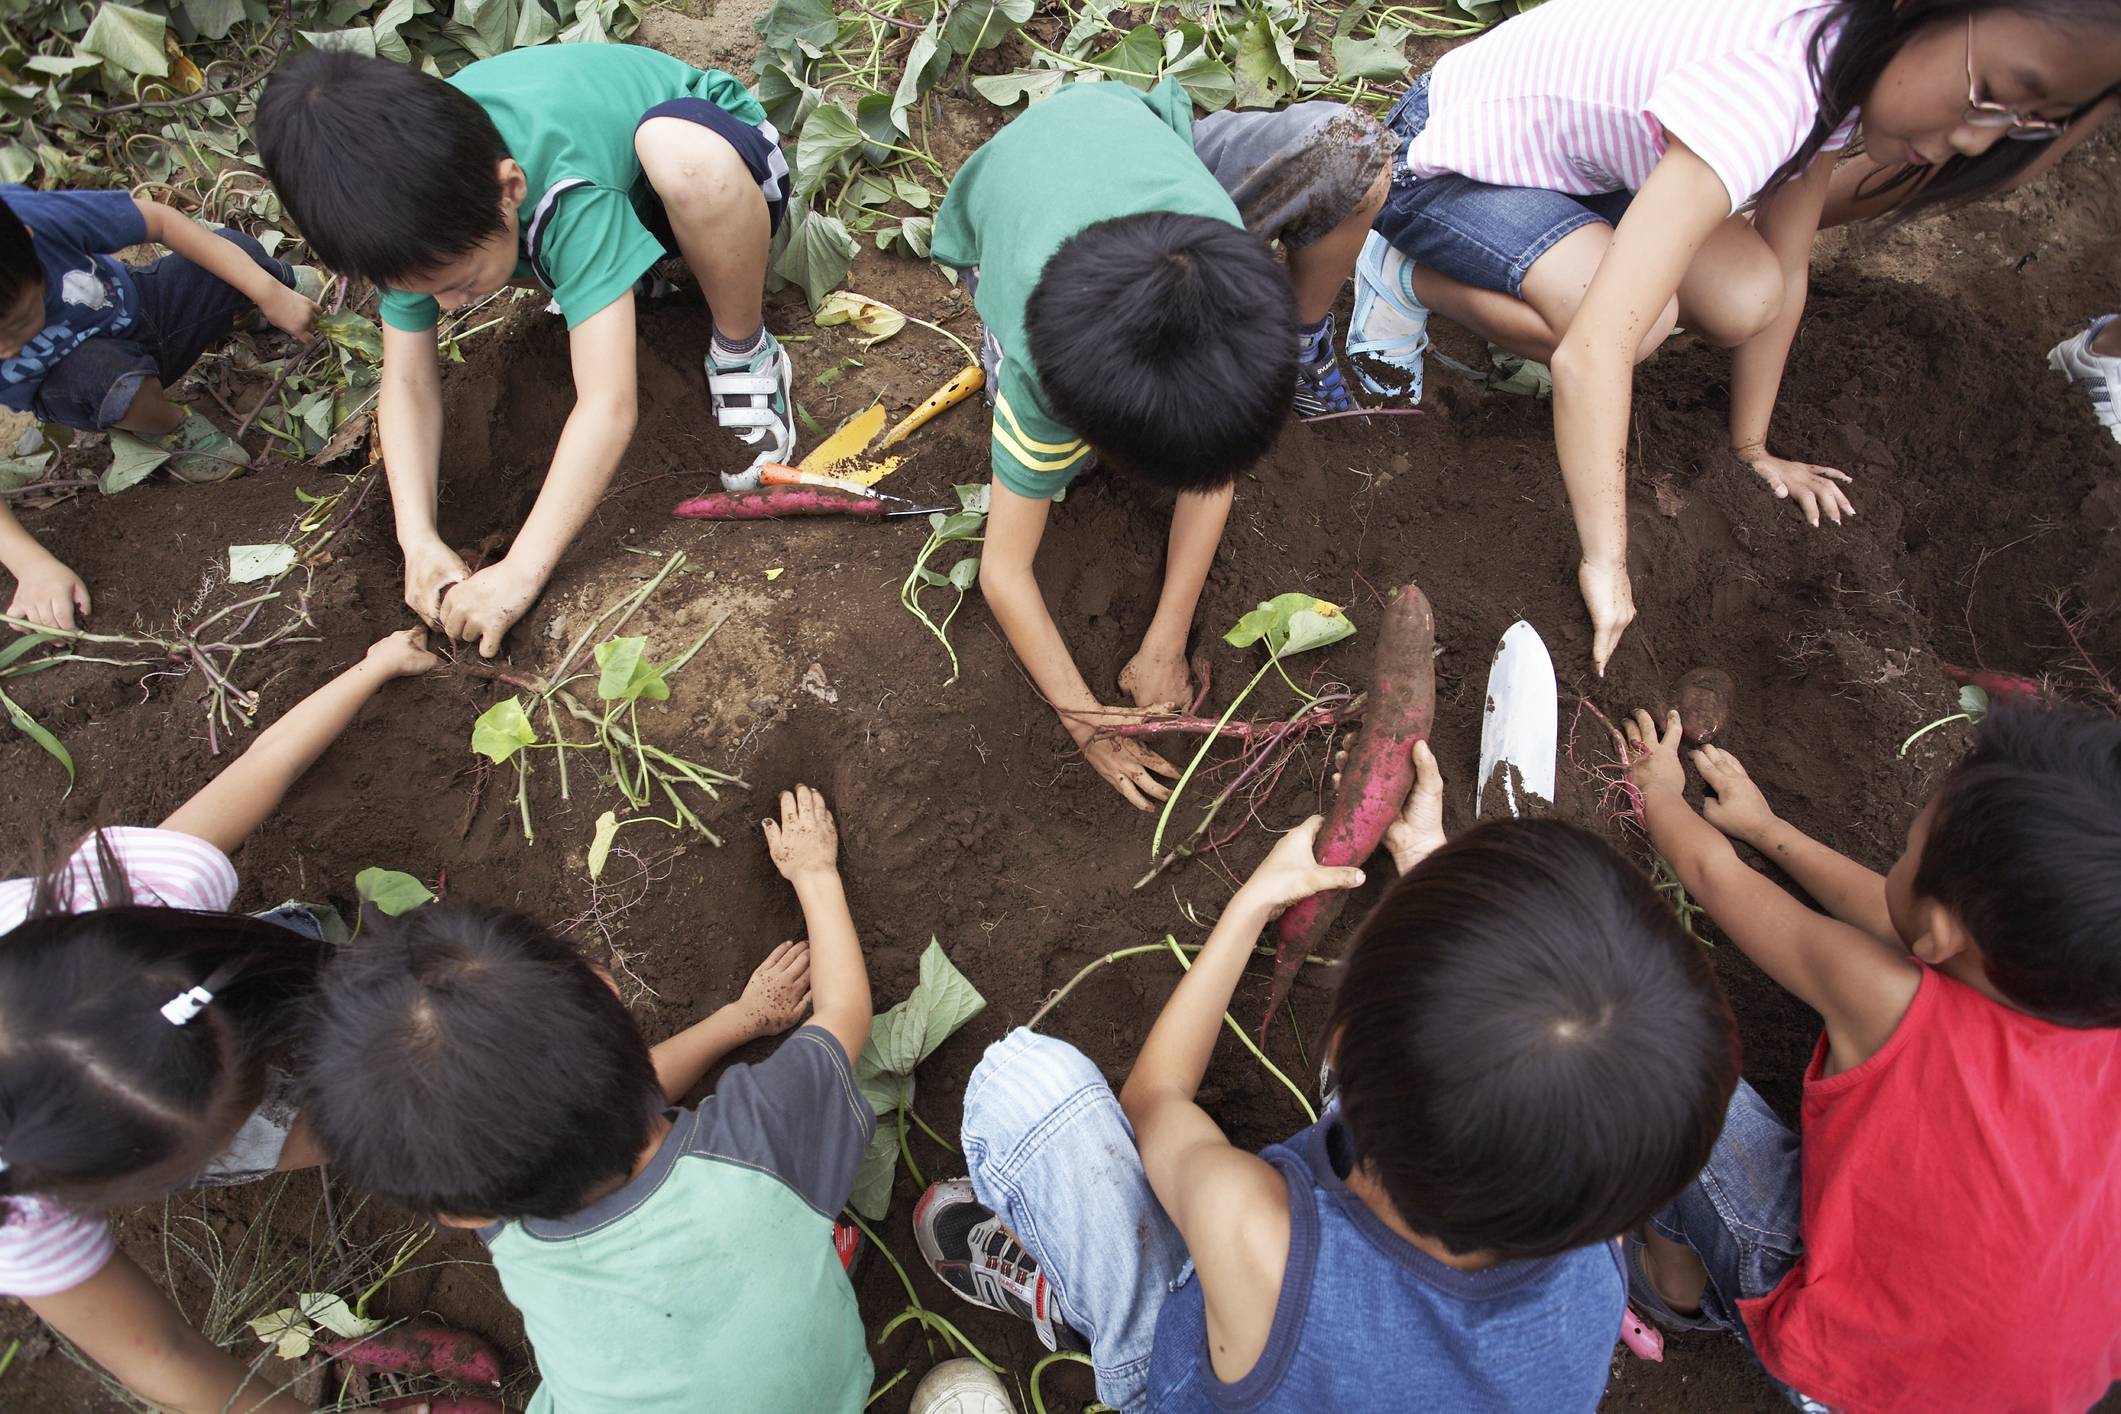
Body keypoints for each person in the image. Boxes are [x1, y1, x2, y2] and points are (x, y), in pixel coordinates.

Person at [911, 741, 1738, 1412]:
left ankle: (1100, 1328)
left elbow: (1154, 1100)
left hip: (1222, 1348)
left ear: (1339, 1045)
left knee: (1021, 1087)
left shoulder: (1256, 1237)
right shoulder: (1591, 1250)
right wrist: (1424, 858)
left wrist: (1252, 906)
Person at [1348, 0, 2121, 674]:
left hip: (1583, 172)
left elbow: (1785, 273)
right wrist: (1606, 561)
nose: (1979, 143)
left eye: (2023, 120)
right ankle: (1397, 270)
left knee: (1745, 290)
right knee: (1632, 324)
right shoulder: (1771, 83)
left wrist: (1754, 450)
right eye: (1992, 92)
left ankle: (1551, 259)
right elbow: (1593, 354)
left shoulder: (1840, 63)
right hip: (1445, 158)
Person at [303, 785, 876, 1414]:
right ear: (606, 987)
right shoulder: (758, 1140)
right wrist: (815, 873)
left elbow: (576, 1110)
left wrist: (738, 1022)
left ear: (464, 1216)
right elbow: (844, 1012)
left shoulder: (502, 1215)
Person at [1619, 704, 2121, 1411]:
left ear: (1944, 933)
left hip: (1843, 1375)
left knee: (1648, 1052)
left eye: (1912, 841)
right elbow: (1901, 922)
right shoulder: (2090, 1001)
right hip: (2029, 1387)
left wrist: (1661, 794)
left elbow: (1710, 874)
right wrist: (1770, 830)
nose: (1903, 848)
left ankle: (1670, 1287)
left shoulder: (1885, 1002)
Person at [0, 627, 436, 1414]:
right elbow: (164, 1356)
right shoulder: (19, 1219)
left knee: (299, 996)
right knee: (344, 1124)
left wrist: (375, 664)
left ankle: (308, 958)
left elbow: (267, 764)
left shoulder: (123, 900)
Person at [929, 79, 1394, 809]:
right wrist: (1083, 722)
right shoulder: (1043, 382)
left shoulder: (1212, 246)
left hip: (1126, 129)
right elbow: (1004, 572)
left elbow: (1209, 471)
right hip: (1002, 209)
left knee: (1355, 153)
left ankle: (1312, 343)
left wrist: (1166, 639)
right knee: (1045, 460)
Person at [254, 45, 795, 657]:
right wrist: (417, 537)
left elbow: (609, 405)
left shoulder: (562, 188)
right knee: (555, 256)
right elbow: (405, 382)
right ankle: (611, 273)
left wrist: (518, 573)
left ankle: (744, 345)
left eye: (461, 284)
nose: (451, 308)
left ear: (509, 187)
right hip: (616, 198)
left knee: (687, 164)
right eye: (432, 293)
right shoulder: (401, 220)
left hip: (719, 155)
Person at [0, 188, 321, 631]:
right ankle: (167, 428)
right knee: (111, 384)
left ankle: (264, 301)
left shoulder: (36, 219)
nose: (8, 350)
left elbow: (163, 222)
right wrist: (32, 565)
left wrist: (268, 291)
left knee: (232, 250)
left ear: (28, 240)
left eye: (16, 324)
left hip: (139, 308)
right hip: (82, 383)